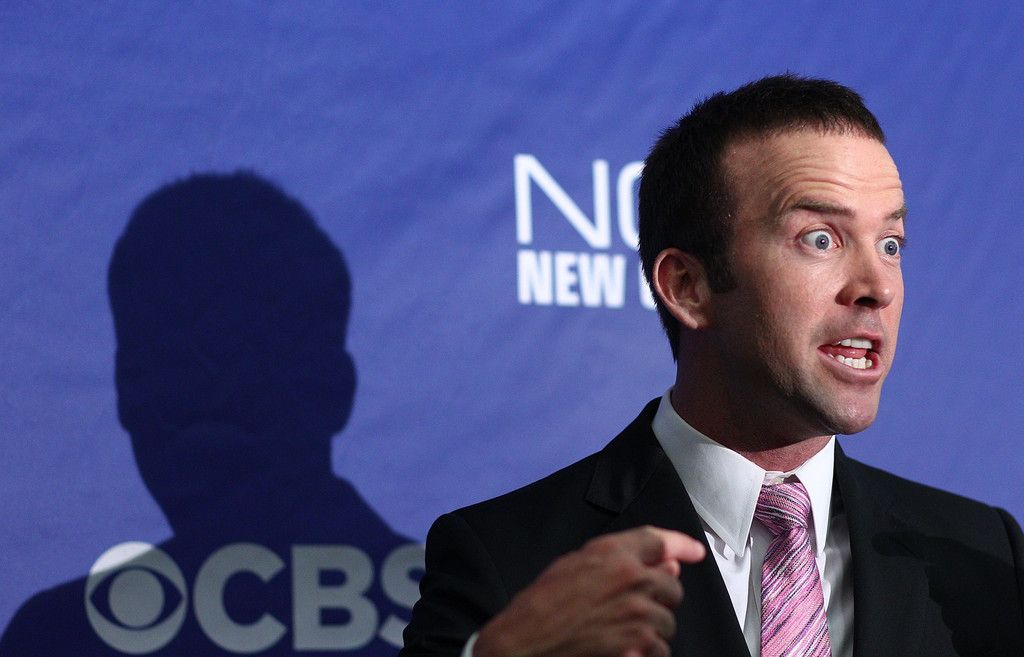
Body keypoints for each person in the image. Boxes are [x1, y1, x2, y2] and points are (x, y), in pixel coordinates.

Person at [400, 75, 1024, 657]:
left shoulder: (985, 556)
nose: (877, 288)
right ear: (688, 287)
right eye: (820, 239)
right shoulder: (510, 561)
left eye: (890, 244)